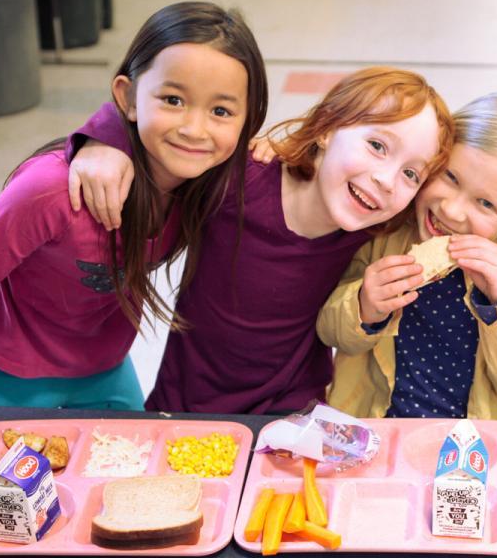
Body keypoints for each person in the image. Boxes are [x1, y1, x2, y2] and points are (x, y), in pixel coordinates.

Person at [0, 1, 268, 481]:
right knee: (13, 510)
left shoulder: (207, 184)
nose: (194, 127)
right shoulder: (52, 190)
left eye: (221, 110)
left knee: (133, 485)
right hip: (7, 373)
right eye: (172, 100)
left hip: (102, 367)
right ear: (127, 96)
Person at [62, 67, 454, 414]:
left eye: (411, 174)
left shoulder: (376, 228)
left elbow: (482, 193)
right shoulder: (238, 179)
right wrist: (103, 140)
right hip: (184, 411)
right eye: (377, 146)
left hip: (291, 421)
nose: (386, 179)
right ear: (327, 128)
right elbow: (164, 134)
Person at [317, 93, 497, 421]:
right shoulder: (388, 228)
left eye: (486, 204)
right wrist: (364, 304)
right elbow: (330, 331)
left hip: (479, 449)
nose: (451, 209)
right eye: (450, 177)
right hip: (379, 432)